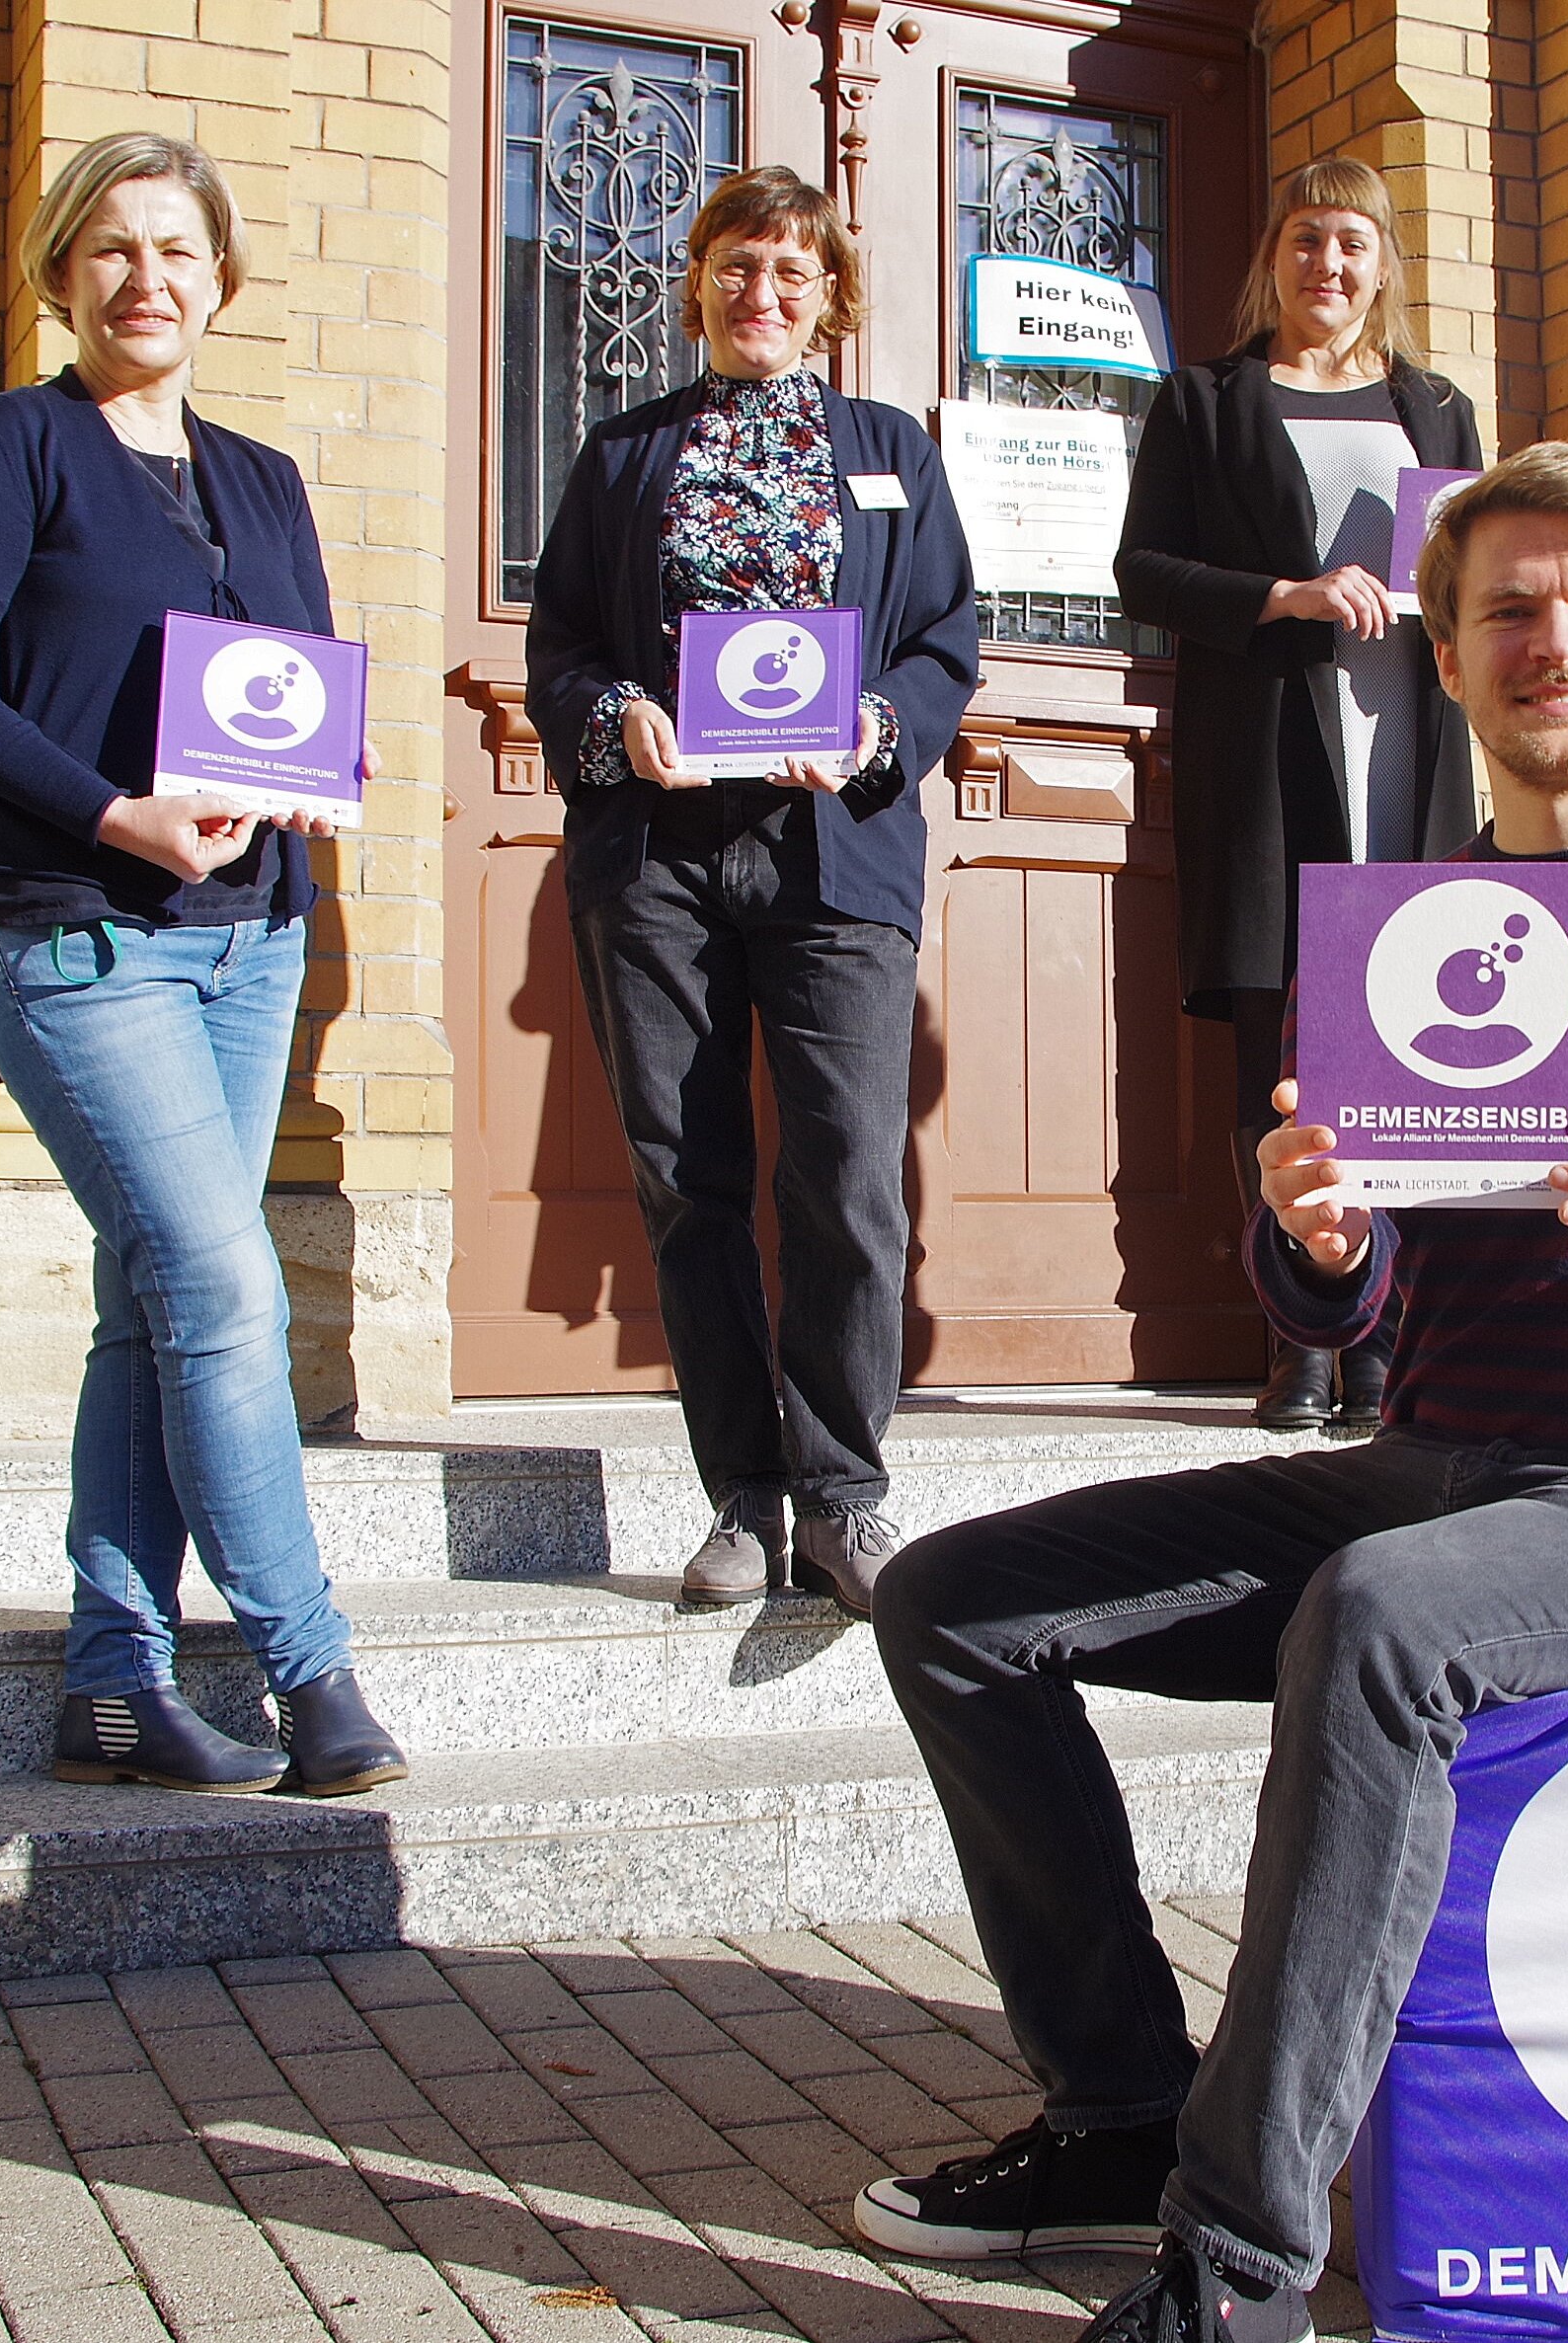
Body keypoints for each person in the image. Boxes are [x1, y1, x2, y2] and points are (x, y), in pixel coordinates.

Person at [849, 446, 1568, 2343]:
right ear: (1444, 654)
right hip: (1432, 1463)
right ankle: (1116, 2108)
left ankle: (1235, 2269)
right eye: (1509, 608)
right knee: (953, 1606)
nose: (1556, 641)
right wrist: (1324, 1247)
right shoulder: (1405, 928)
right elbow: (1346, 1300)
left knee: (1378, 1624)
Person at [0, 133, 406, 1797]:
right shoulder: (8, 445)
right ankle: (308, 1663)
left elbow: (296, 684)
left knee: (153, 1297)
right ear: (60, 271)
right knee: (223, 1277)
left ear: (221, 280)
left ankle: (114, 1675)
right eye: (112, 251)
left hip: (247, 938)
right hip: (70, 927)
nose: (147, 281)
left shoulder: (261, 477)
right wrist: (117, 810)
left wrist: (315, 779)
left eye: (177, 252)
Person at [526, 167, 982, 1615]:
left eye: (792, 272)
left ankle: (844, 1490)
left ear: (830, 296)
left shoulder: (891, 451)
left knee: (849, 1171)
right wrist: (617, 720)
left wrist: (876, 729)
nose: (763, 294)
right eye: (736, 267)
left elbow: (944, 642)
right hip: (656, 855)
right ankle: (741, 1493)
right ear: (700, 285)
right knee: (687, 1179)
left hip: (832, 850)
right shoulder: (620, 456)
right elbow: (562, 650)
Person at [1116, 156, 1486, 1432]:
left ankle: (1383, 1336)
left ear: (1384, 266)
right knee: (1276, 1053)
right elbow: (1144, 574)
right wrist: (1285, 595)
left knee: (1405, 1048)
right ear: (1272, 258)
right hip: (1272, 758)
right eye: (1307, 241)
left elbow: (1474, 567)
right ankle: (1301, 1339)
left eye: (1354, 245)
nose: (1329, 265)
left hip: (1413, 758)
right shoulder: (1205, 403)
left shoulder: (1438, 409)